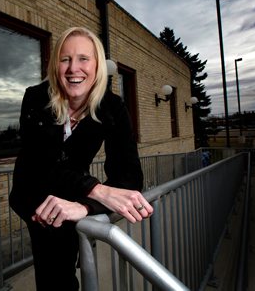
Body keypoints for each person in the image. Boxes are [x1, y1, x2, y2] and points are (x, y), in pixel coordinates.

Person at [9, 27, 153, 291]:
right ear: (56, 66)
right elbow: (42, 164)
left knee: (63, 268)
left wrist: (86, 206)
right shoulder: (36, 97)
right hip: (34, 195)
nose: (73, 68)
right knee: (53, 270)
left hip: (73, 198)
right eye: (65, 59)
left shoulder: (112, 107)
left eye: (83, 59)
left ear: (97, 65)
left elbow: (129, 175)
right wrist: (98, 190)